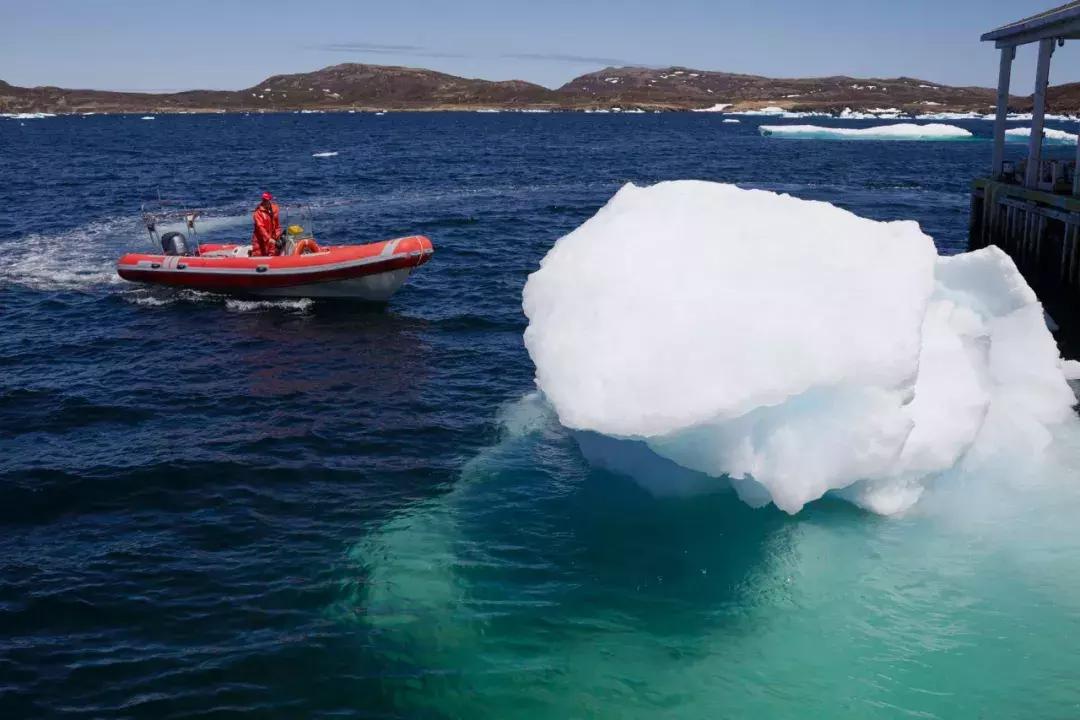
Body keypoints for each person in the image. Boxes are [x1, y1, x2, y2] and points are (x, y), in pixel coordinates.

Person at [251, 191, 282, 256]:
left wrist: (278, 236)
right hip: (260, 240)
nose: (265, 202)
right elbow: (260, 227)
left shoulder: (275, 209)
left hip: (272, 238)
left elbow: (277, 225)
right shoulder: (258, 213)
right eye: (264, 200)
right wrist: (268, 239)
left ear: (270, 200)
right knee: (258, 255)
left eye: (267, 200)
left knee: (273, 253)